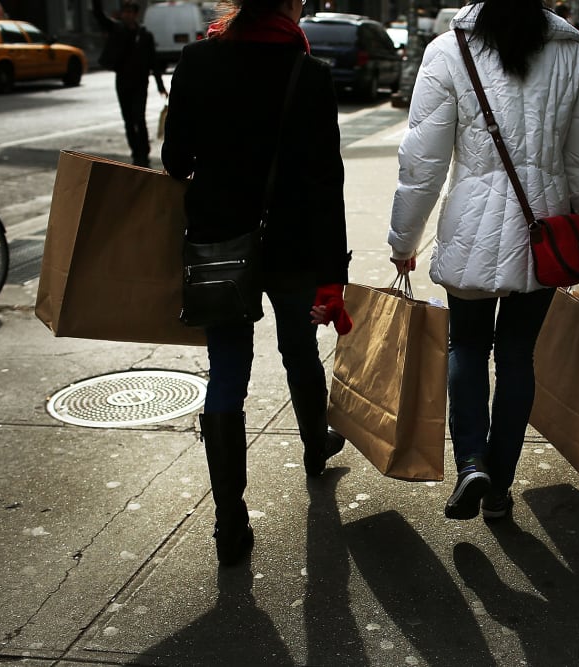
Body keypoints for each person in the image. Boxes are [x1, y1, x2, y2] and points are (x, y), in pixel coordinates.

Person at [388, 0, 579, 522]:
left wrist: (404, 240)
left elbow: (423, 161)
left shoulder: (448, 49)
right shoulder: (570, 53)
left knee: (465, 344)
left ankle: (470, 464)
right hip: (545, 235)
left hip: (471, 231)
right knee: (515, 358)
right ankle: (501, 488)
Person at [162, 0, 352, 567]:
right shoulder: (309, 74)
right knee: (299, 350)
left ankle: (229, 523)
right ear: (291, 6)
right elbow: (326, 181)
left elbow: (175, 161)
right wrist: (332, 276)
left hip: (221, 244)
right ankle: (316, 446)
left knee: (227, 372)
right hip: (294, 247)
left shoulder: (197, 61)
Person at [91, 1, 168, 167]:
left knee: (139, 117)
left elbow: (153, 62)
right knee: (128, 119)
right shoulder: (117, 30)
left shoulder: (145, 35)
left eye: (130, 12)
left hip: (140, 83)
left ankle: (144, 151)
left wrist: (160, 86)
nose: (127, 15)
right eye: (124, 12)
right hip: (123, 81)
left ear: (135, 14)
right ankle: (135, 151)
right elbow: (99, 16)